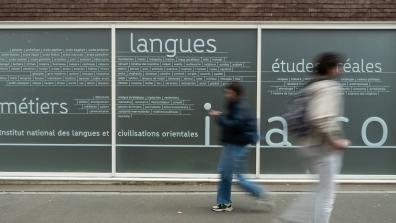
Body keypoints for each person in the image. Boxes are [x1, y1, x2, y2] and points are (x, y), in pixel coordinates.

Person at [273, 52, 350, 223]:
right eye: (339, 66)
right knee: (327, 194)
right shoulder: (329, 87)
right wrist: (334, 141)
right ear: (331, 68)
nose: (341, 69)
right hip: (324, 147)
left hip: (308, 144)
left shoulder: (311, 86)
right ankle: (294, 218)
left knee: (321, 189)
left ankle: (292, 218)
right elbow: (320, 117)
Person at [209, 81, 274, 212]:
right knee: (224, 173)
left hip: (236, 145)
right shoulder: (235, 104)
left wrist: (218, 118)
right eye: (226, 92)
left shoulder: (240, 106)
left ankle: (262, 194)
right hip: (232, 144)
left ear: (235, 93)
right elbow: (234, 122)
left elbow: (235, 125)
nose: (226, 94)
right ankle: (224, 203)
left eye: (229, 92)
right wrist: (221, 117)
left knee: (238, 177)